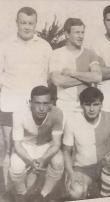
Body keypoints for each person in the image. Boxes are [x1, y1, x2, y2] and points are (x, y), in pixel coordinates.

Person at [0, 7, 52, 187]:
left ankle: (28, 189)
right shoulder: (4, 45)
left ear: (35, 24)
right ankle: (7, 189)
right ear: (17, 23)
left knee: (32, 146)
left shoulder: (45, 46)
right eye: (23, 22)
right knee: (8, 146)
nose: (27, 27)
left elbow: (47, 77)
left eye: (30, 23)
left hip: (34, 106)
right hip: (9, 103)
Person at [62, 87, 110, 199]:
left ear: (101, 105)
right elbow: (66, 151)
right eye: (88, 104)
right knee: (76, 192)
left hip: (104, 164)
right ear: (81, 105)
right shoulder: (72, 120)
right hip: (82, 167)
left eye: (96, 104)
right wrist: (71, 173)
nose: (92, 109)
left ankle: (104, 199)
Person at [9, 86, 64, 202]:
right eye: (38, 103)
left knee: (59, 161)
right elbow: (17, 145)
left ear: (51, 103)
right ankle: (21, 194)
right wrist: (30, 161)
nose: (42, 108)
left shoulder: (57, 113)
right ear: (30, 103)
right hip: (26, 145)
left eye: (45, 103)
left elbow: (56, 144)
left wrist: (43, 159)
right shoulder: (19, 114)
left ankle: (44, 194)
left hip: (46, 145)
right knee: (15, 165)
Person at [49, 18, 102, 114]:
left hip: (86, 107)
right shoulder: (57, 54)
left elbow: (98, 76)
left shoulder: (90, 53)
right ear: (67, 34)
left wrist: (72, 73)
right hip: (64, 106)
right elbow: (58, 81)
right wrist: (87, 77)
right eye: (77, 32)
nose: (81, 36)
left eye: (82, 32)